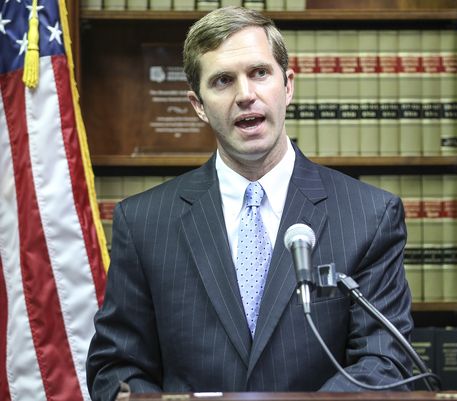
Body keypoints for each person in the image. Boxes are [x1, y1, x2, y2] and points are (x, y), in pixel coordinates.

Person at [86, 6, 413, 400]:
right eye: (223, 81)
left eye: (259, 73)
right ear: (198, 105)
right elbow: (116, 367)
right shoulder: (143, 222)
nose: (245, 95)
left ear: (288, 85)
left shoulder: (369, 216)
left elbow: (383, 361)